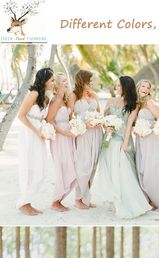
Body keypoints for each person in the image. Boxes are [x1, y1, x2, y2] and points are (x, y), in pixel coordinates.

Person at [91, 76, 151, 219]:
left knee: (122, 168)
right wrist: (107, 126)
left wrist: (125, 143)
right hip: (109, 138)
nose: (116, 87)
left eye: (118, 85)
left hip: (123, 140)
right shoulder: (111, 101)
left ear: (125, 87)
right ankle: (115, 197)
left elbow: (129, 123)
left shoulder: (133, 104)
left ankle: (127, 201)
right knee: (111, 168)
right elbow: (103, 119)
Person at [18, 68, 55, 215]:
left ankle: (27, 200)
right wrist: (37, 131)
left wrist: (47, 131)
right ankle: (24, 203)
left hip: (39, 135)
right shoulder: (34, 94)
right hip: (29, 134)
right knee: (29, 167)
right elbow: (21, 116)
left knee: (40, 169)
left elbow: (44, 118)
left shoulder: (46, 96)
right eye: (52, 80)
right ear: (44, 80)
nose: (53, 83)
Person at [68, 69, 103, 209]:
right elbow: (69, 118)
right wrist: (83, 124)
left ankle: (86, 197)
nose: (92, 83)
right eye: (90, 80)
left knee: (93, 166)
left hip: (96, 133)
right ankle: (78, 198)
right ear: (83, 81)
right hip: (83, 134)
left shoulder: (94, 95)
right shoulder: (73, 96)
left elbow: (99, 113)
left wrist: (99, 121)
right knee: (83, 166)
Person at [47, 74, 76, 211]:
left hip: (68, 136)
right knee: (62, 168)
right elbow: (49, 120)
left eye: (66, 80)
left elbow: (69, 117)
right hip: (59, 137)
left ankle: (59, 199)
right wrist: (64, 133)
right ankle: (55, 201)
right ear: (57, 85)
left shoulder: (64, 99)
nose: (66, 83)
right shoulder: (57, 100)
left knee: (70, 167)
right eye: (63, 81)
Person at [135, 80, 159, 208]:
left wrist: (148, 127)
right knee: (142, 167)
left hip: (150, 139)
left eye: (148, 87)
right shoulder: (138, 103)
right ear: (138, 87)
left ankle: (155, 199)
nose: (146, 89)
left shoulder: (148, 102)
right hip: (141, 139)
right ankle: (146, 198)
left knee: (150, 168)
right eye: (143, 86)